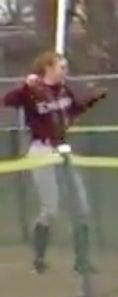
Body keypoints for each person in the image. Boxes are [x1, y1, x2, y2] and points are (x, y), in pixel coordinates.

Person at [1, 51, 106, 274]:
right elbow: (7, 101)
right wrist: (25, 85)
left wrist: (92, 99)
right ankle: (39, 259)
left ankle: (82, 261)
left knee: (81, 207)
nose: (65, 71)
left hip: (62, 149)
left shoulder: (64, 90)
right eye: (61, 67)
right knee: (50, 208)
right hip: (41, 150)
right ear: (48, 67)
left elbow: (73, 110)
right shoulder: (32, 91)